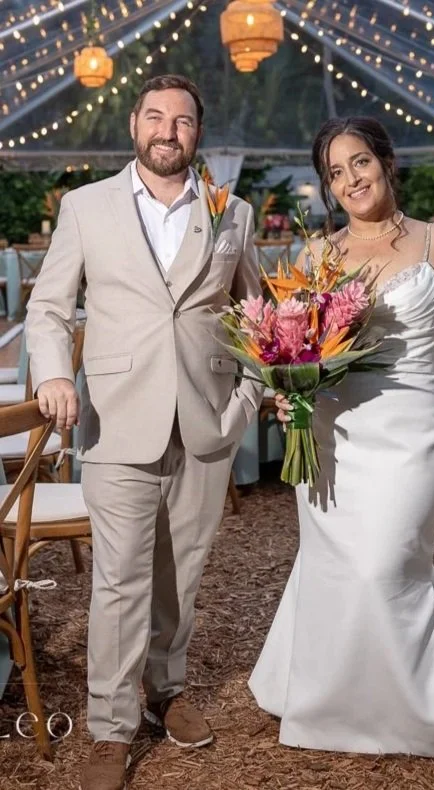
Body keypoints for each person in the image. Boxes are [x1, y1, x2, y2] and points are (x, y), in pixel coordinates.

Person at [249, 117, 434, 764]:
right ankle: (331, 705)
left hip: (409, 433)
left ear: (386, 162)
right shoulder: (319, 257)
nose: (351, 180)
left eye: (360, 163)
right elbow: (297, 346)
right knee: (335, 568)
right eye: (335, 173)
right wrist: (289, 384)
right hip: (333, 430)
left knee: (386, 567)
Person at [26, 74, 261, 790]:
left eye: (182, 121)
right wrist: (53, 375)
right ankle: (109, 727)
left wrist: (246, 399)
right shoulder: (85, 207)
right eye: (154, 117)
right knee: (120, 582)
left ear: (197, 133)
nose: (167, 130)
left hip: (205, 422)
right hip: (118, 420)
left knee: (179, 578)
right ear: (134, 125)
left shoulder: (233, 212)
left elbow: (260, 317)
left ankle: (167, 689)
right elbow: (47, 309)